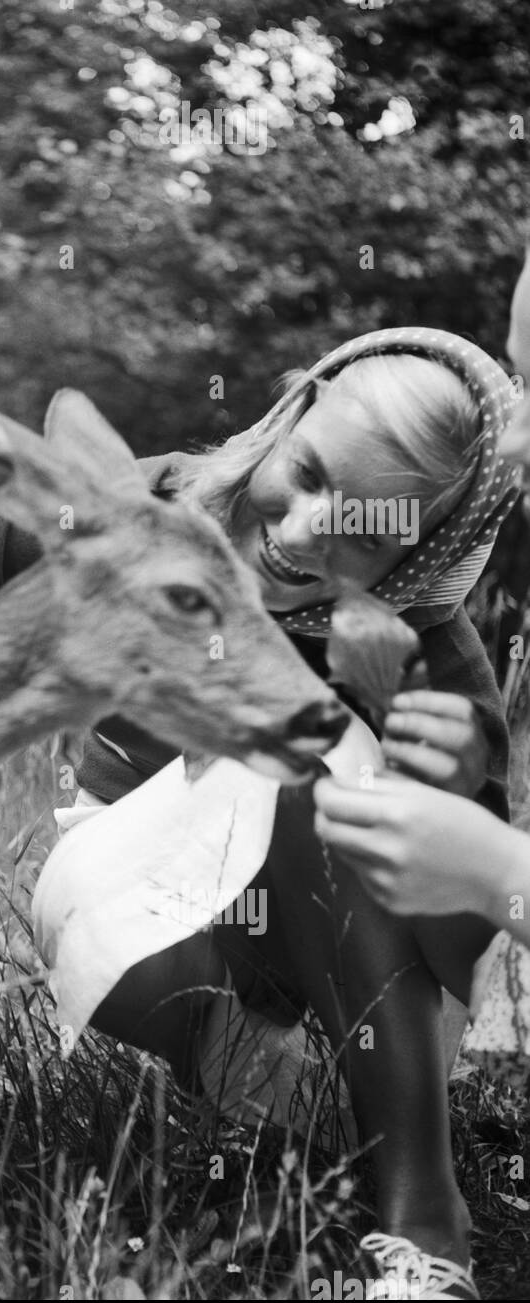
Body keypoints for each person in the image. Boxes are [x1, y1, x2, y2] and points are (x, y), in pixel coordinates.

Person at [0, 327, 519, 1300]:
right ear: (289, 412)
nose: (303, 533)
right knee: (127, 874)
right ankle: (310, 1112)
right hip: (182, 959)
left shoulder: (415, 630)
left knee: (325, 763)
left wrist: (454, 771)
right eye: (304, 475)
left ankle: (421, 1219)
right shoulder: (137, 512)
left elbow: (475, 908)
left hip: (372, 996)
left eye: (368, 528)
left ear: (419, 552)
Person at [314, 249, 530, 1098]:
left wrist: (492, 869)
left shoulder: (433, 653)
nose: (507, 441)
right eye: (518, 375)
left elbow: (477, 966)